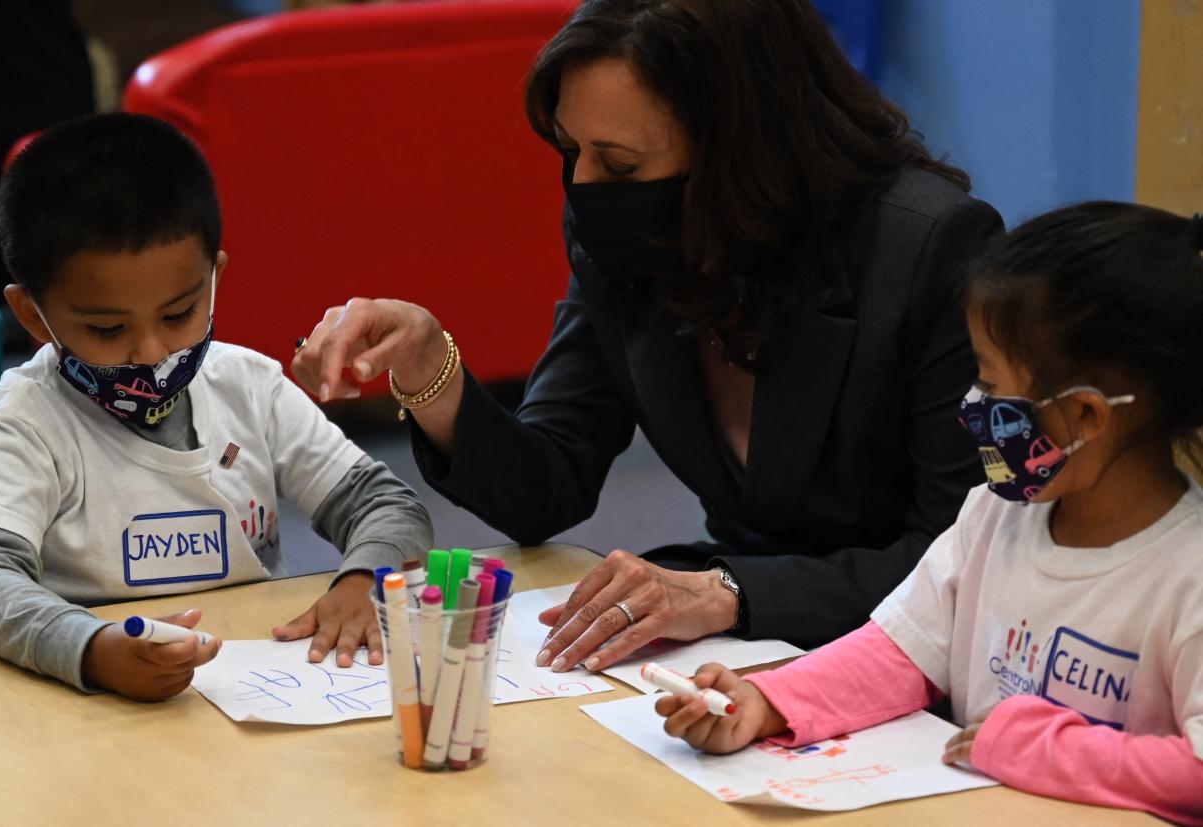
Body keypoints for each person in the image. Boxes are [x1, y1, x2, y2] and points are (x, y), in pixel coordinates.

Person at [291, 0, 1003, 672]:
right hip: (728, 643)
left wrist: (728, 592)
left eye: (621, 165)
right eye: (572, 151)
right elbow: (546, 490)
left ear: (742, 148)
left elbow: (962, 559)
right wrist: (429, 369)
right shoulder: (632, 240)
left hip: (901, 653)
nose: (585, 187)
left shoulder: (928, 249)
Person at [654, 203, 1203, 823]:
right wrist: (767, 701)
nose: (974, 405)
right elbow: (899, 651)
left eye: (993, 388)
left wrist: (1041, 750)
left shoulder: (1190, 577)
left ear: (1086, 415)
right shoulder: (993, 517)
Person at [0, 113, 431, 701]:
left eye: (179, 314)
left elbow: (385, 505)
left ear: (214, 276)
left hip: (258, 691)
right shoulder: (22, 424)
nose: (150, 352)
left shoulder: (249, 388)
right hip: (85, 704)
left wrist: (367, 577)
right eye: (107, 328)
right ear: (33, 316)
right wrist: (89, 648)